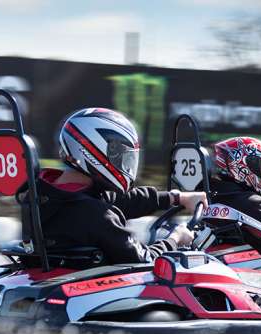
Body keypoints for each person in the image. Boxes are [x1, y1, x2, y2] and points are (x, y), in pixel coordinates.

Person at [38, 107, 206, 264]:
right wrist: (175, 239)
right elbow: (144, 259)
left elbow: (121, 201)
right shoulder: (95, 215)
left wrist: (177, 197)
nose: (125, 165)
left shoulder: (44, 194)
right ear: (94, 151)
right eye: (120, 157)